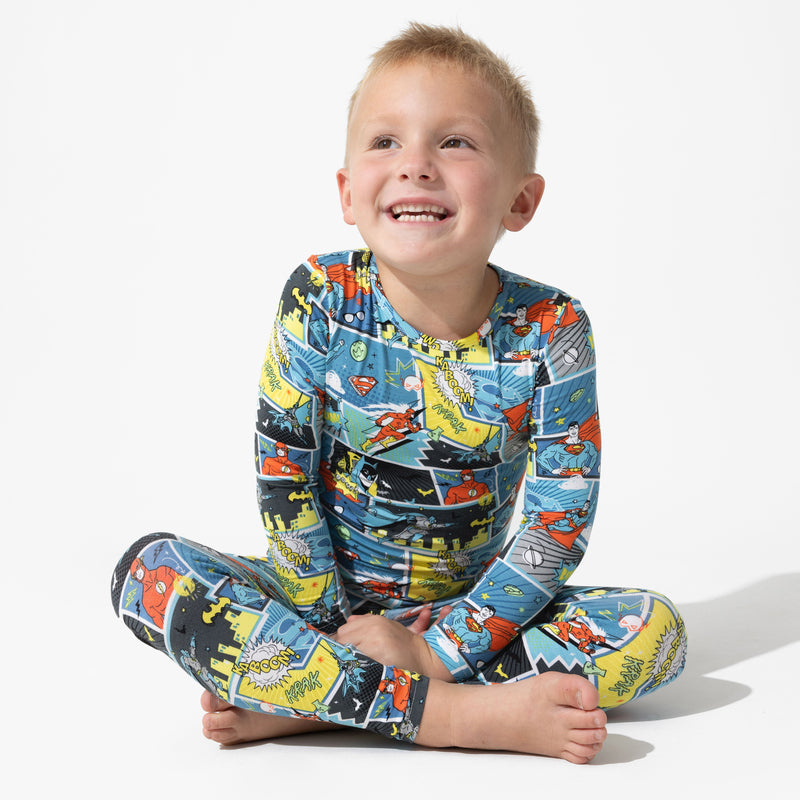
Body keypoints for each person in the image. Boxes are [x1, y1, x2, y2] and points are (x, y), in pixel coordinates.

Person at [111, 22, 687, 764]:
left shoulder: (552, 329)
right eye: (386, 141)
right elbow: (283, 477)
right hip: (315, 599)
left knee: (657, 634)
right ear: (348, 193)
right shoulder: (320, 297)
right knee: (149, 573)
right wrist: (329, 625)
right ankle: (457, 717)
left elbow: (557, 524)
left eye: (456, 142)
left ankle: (314, 700)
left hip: (467, 614)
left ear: (520, 200)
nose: (416, 165)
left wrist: (437, 651)